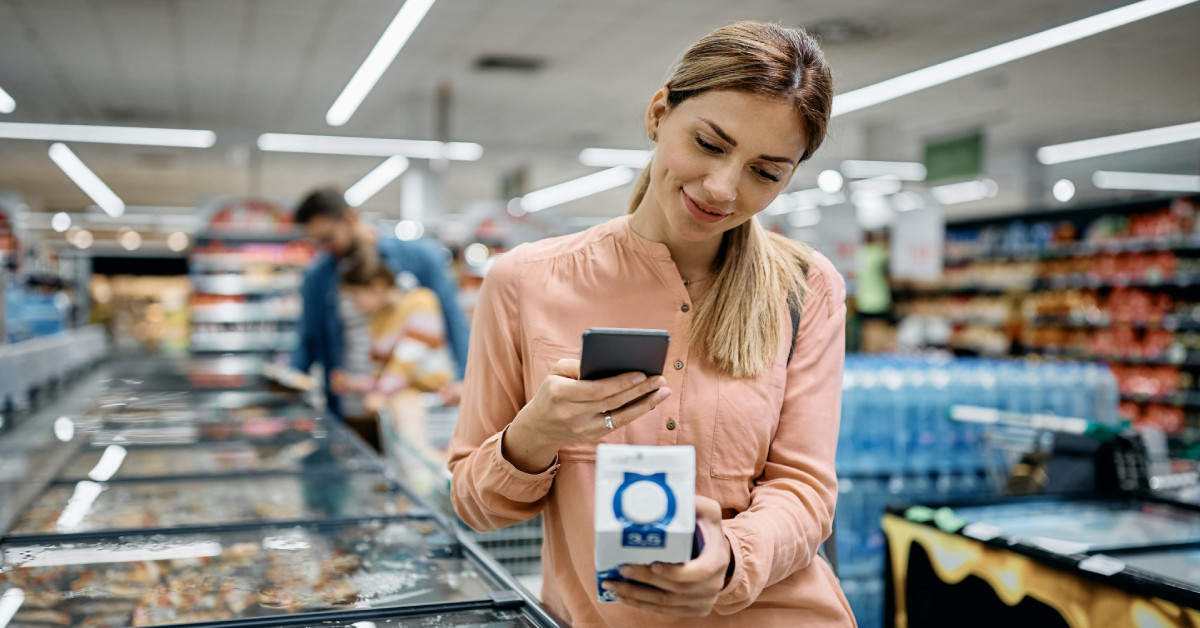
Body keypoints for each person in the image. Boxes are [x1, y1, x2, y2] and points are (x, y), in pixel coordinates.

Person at [449, 20, 852, 627]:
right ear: (659, 113)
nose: (722, 189)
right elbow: (476, 507)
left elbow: (805, 491)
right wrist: (534, 434)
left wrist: (729, 560)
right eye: (710, 145)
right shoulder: (525, 281)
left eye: (766, 172)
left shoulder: (807, 287)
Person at [290, 189, 469, 418]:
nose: (323, 248)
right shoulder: (319, 276)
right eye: (316, 241)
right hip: (350, 405)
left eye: (327, 238)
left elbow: (453, 321)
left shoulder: (418, 258)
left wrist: (465, 380)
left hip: (408, 401)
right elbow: (310, 337)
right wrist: (291, 380)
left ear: (350, 218)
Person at [334, 253, 454, 453]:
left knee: (423, 466)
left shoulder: (421, 301)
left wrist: (380, 393)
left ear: (377, 286)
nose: (354, 304)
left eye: (355, 295)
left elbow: (405, 363)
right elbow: (383, 373)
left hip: (431, 407)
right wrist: (353, 384)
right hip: (398, 409)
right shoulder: (378, 319)